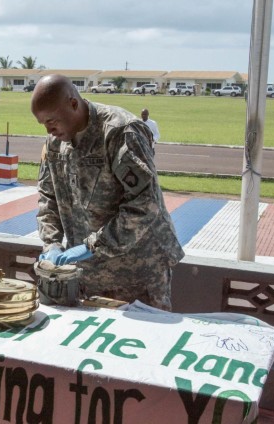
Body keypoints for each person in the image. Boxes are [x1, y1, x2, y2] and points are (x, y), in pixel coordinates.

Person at [31, 74, 184, 311]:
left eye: (52, 121)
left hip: (139, 270)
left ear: (73, 104)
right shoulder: (55, 144)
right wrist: (51, 243)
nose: (49, 129)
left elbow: (144, 205)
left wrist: (92, 246)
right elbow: (48, 198)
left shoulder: (120, 131)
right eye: (43, 124)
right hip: (89, 274)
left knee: (146, 341)